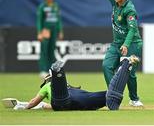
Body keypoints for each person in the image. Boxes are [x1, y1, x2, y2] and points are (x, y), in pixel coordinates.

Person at [85, 0, 143, 107]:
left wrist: (126, 44)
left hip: (133, 43)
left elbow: (132, 29)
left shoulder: (130, 10)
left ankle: (134, 99)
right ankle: (114, 95)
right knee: (106, 66)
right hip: (117, 43)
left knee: (129, 73)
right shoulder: (114, 1)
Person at [12, 55, 140, 111]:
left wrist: (25, 107)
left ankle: (57, 70)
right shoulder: (64, 87)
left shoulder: (46, 87)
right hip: (81, 99)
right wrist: (43, 106)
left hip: (64, 101)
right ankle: (126, 64)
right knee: (110, 96)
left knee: (61, 100)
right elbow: (45, 105)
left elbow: (34, 102)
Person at [37, 0, 64, 79]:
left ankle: (50, 70)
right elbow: (39, 21)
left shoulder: (56, 6)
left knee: (51, 51)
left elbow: (59, 20)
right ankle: (42, 71)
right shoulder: (42, 6)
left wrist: (60, 31)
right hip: (46, 31)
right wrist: (40, 33)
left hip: (54, 31)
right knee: (44, 51)